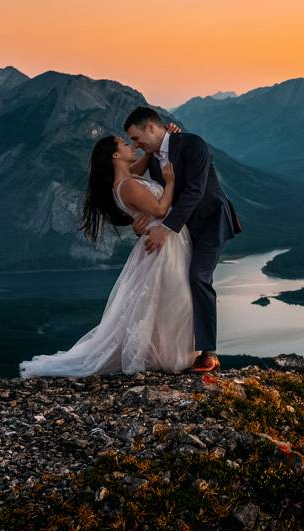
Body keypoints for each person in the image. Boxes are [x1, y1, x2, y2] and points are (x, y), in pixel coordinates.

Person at [18, 135, 197, 377]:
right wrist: (170, 181)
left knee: (165, 299)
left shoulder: (124, 178)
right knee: (176, 298)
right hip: (162, 244)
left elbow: (141, 163)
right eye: (125, 144)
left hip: (163, 239)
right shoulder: (128, 185)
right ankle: (170, 356)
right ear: (115, 155)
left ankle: (167, 355)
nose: (130, 144)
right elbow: (161, 209)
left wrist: (150, 144)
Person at [123, 106, 241, 374]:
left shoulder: (192, 144)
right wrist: (142, 223)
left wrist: (166, 228)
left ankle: (208, 353)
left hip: (210, 222)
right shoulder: (153, 161)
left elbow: (196, 191)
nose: (136, 144)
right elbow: (160, 200)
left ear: (151, 128)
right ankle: (177, 349)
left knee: (199, 277)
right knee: (174, 281)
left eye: (137, 138)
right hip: (184, 230)